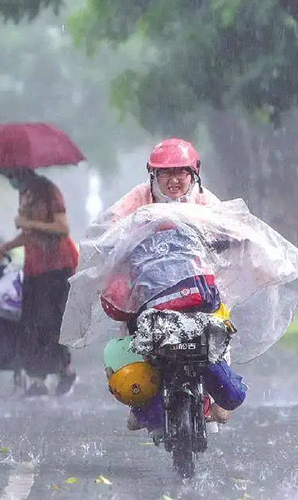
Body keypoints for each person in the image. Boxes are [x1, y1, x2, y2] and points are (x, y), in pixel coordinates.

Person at [96, 138, 245, 432]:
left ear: (194, 174)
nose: (174, 180)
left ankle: (217, 397)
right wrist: (117, 238)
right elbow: (112, 224)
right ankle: (141, 403)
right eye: (166, 173)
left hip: (197, 285)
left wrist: (229, 236)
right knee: (135, 330)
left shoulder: (203, 199)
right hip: (149, 287)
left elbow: (229, 224)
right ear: (153, 175)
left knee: (218, 324)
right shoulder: (139, 197)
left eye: (182, 172)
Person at [0, 168, 79, 397]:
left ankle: (65, 370)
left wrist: (27, 222)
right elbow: (29, 234)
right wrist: (6, 246)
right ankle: (38, 379)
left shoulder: (49, 191)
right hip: (34, 266)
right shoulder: (26, 194)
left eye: (13, 174)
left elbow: (62, 228)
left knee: (52, 322)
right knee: (30, 324)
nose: (11, 180)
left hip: (58, 266)